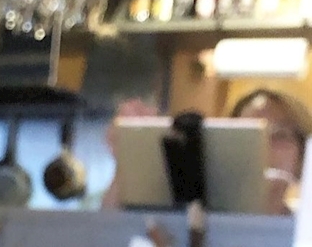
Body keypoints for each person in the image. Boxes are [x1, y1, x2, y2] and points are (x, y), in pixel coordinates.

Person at [102, 89, 312, 214]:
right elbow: (110, 236)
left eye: (280, 135)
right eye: (249, 133)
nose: (264, 145)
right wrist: (127, 160)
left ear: (303, 152)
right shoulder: (197, 220)